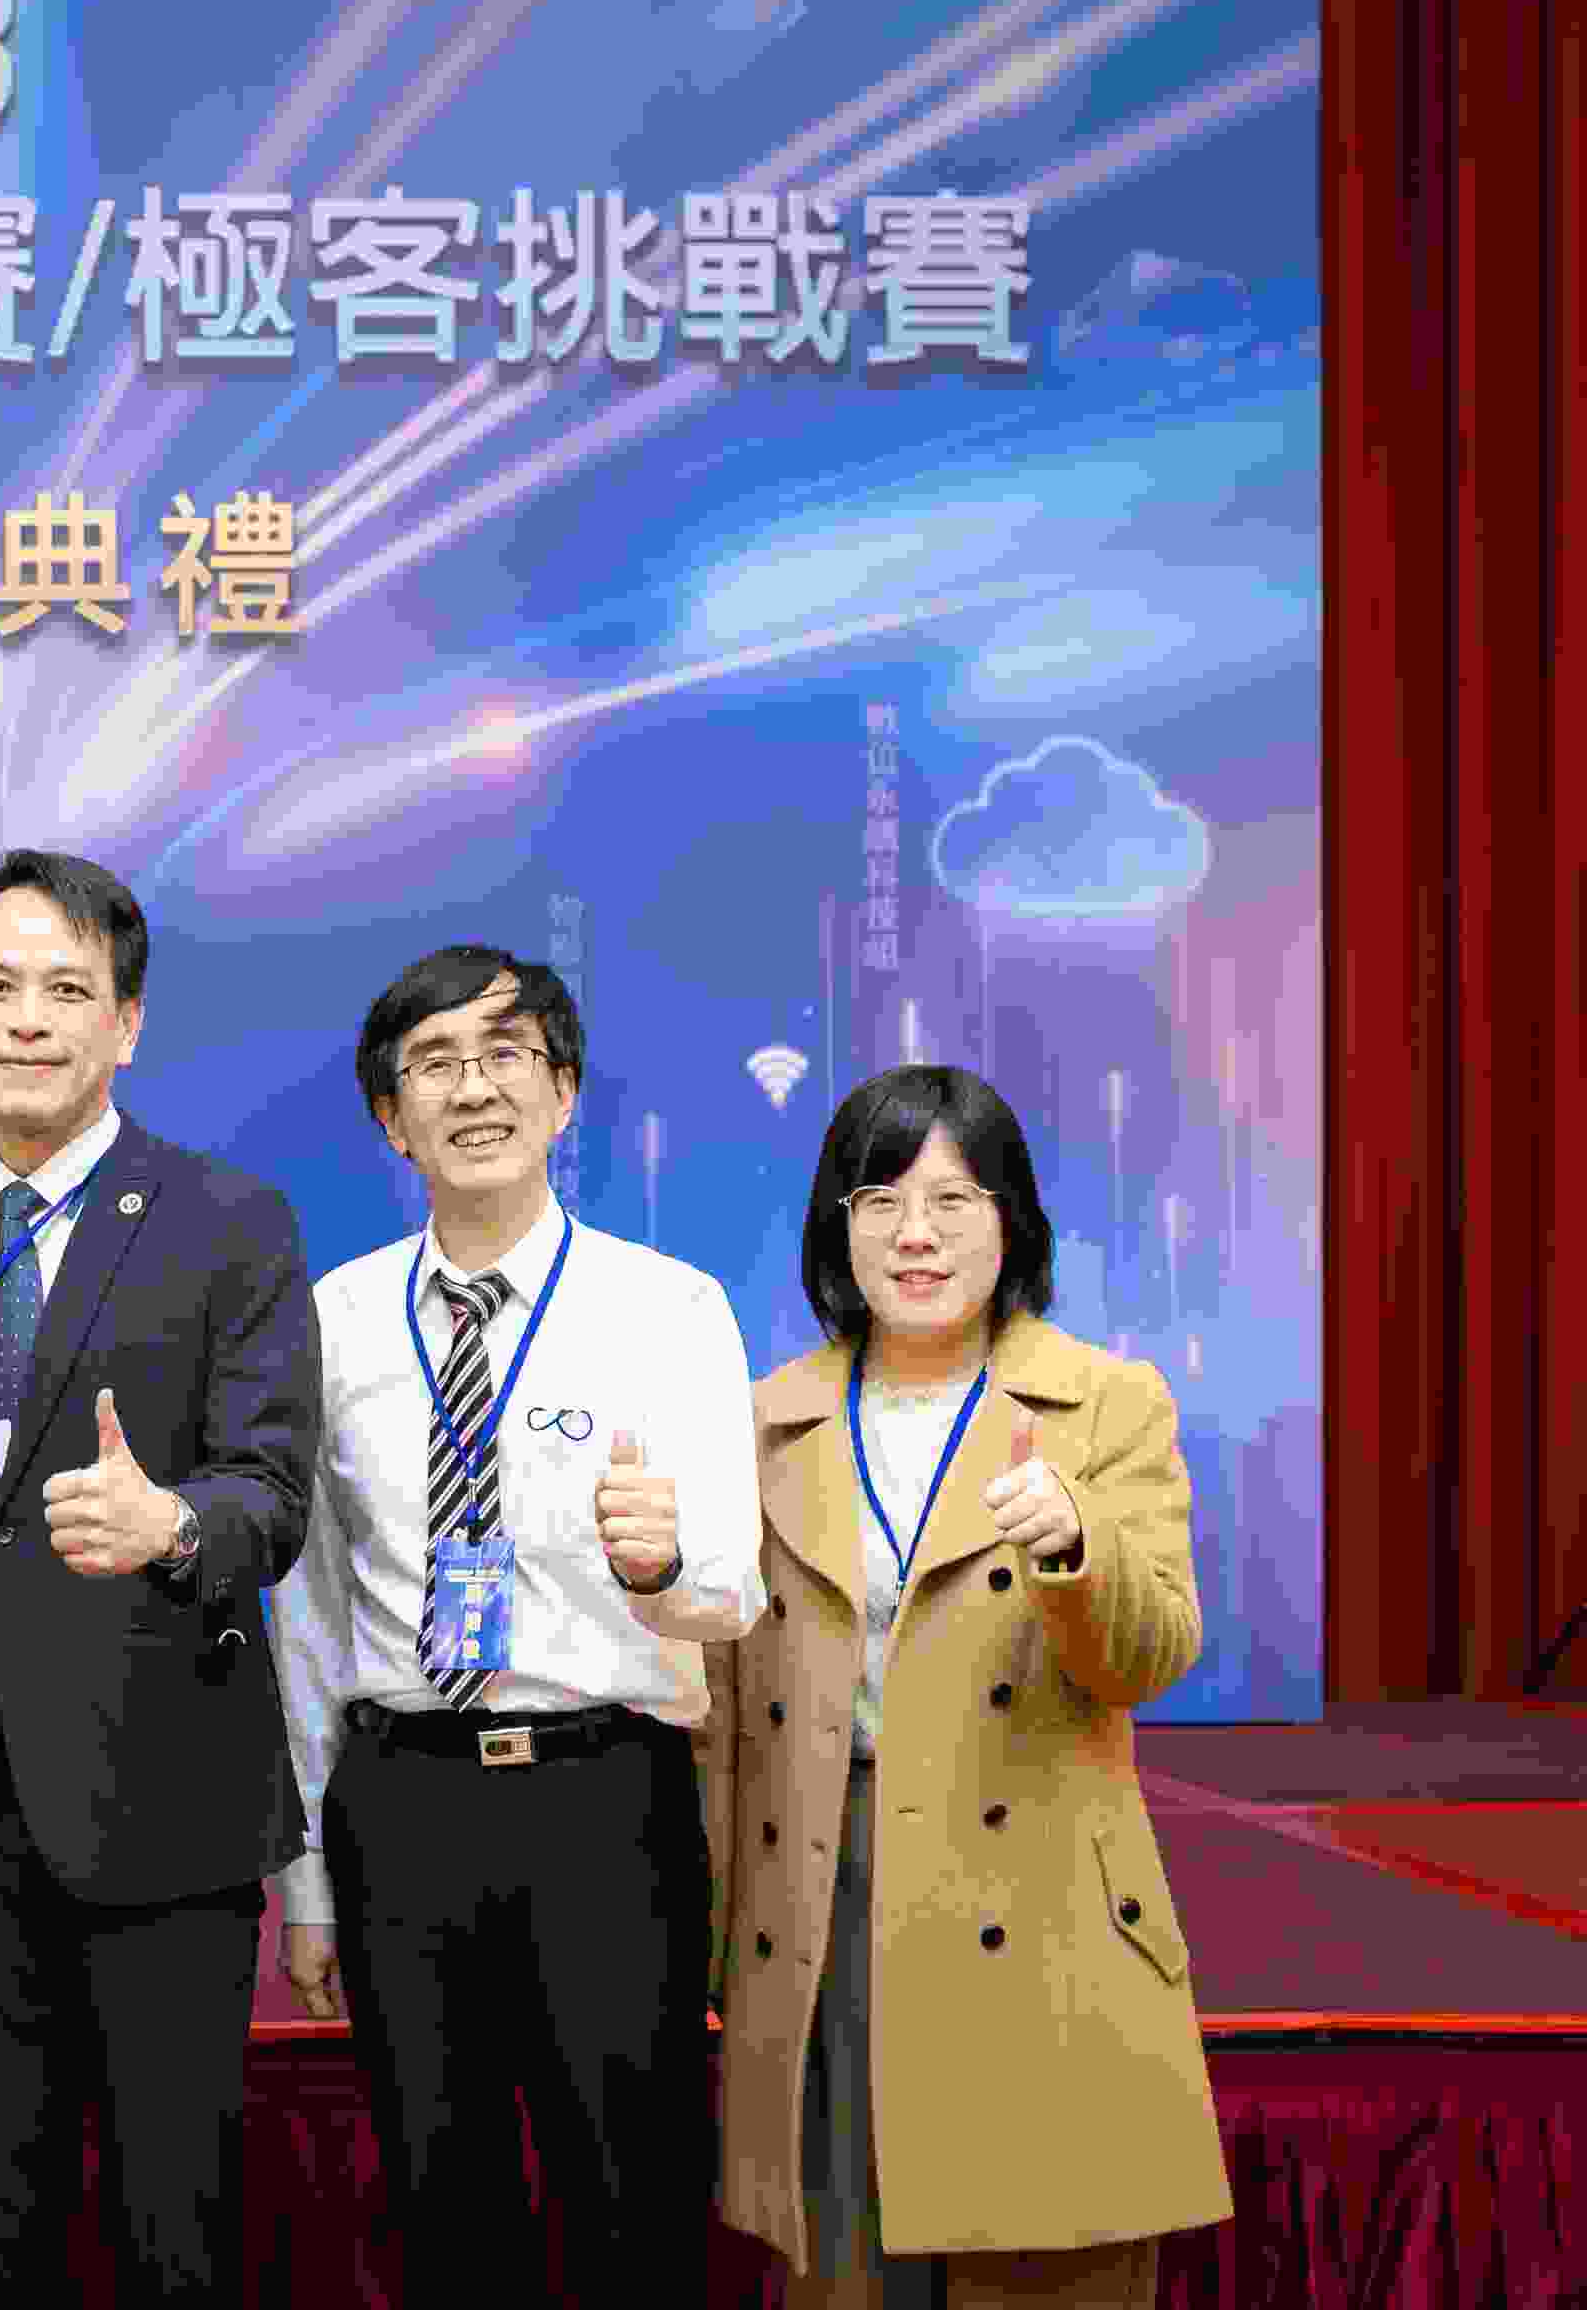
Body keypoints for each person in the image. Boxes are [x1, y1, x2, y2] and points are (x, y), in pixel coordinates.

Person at [0, 848, 321, 2303]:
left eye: (66, 989)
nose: (29, 1020)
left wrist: (172, 1524)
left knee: (176, 2232)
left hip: (166, 1809)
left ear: (128, 1022)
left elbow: (271, 1495)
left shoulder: (231, 1220)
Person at [267, 942, 767, 2294]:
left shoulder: (668, 1309)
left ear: (564, 1092)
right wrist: (307, 1880)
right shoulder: (332, 1323)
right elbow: (308, 1622)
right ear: (392, 1118)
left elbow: (736, 1590)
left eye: (506, 1056)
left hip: (601, 1801)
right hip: (403, 1808)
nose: (474, 1089)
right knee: (444, 2209)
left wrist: (663, 1569)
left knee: (635, 2201)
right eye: (434, 1064)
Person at [702, 1064, 1230, 2307]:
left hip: (1034, 1904)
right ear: (837, 1227)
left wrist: (1075, 1544)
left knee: (1042, 2268)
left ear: (1012, 1221)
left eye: (953, 1199)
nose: (916, 1234)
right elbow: (720, 1721)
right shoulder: (764, 1422)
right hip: (824, 1897)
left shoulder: (1106, 1404)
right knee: (848, 2266)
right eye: (879, 1200)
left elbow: (1150, 1653)